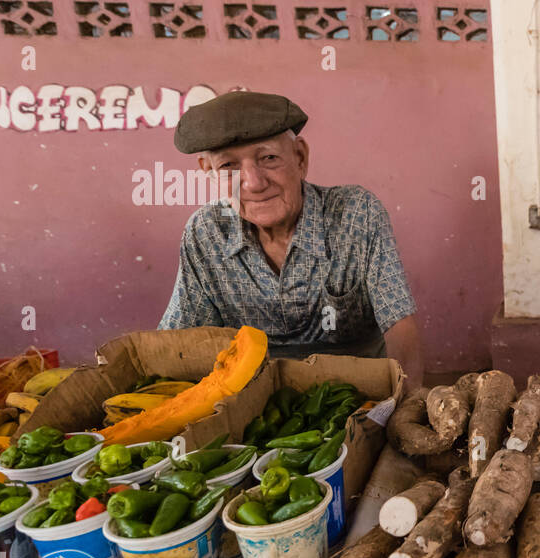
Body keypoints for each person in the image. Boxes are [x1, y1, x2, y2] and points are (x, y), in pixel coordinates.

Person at [159, 90, 423, 386]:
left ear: (299, 157)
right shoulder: (206, 232)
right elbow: (178, 342)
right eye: (228, 167)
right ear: (209, 172)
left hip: (358, 388)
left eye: (269, 158)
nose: (255, 184)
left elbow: (398, 324)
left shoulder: (356, 212)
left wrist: (402, 409)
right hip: (257, 396)